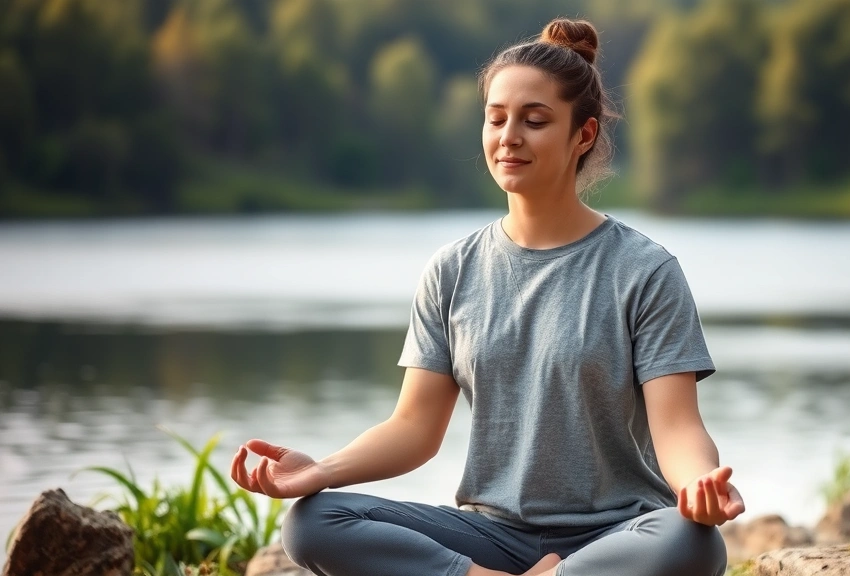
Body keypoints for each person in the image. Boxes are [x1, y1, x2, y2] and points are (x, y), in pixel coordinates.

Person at [230, 17, 744, 576]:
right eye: (496, 118)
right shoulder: (453, 270)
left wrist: (698, 486)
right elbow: (413, 429)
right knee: (312, 522)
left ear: (584, 135)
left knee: (690, 541)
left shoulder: (644, 271)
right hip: (491, 533)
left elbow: (678, 429)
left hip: (618, 532)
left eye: (535, 120)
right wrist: (322, 471)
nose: (509, 138)